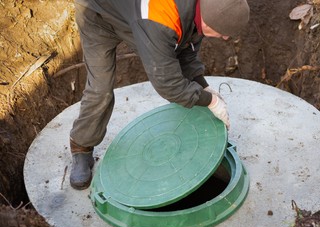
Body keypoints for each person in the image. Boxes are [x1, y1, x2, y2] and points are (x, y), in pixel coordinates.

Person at [70, 0, 250, 190]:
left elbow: (186, 51)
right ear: (207, 21)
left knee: (167, 47)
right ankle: (81, 146)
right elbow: (168, 84)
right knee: (100, 89)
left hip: (132, 13)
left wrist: (203, 87)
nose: (223, 38)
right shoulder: (160, 19)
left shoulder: (202, 9)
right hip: (98, 13)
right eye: (222, 33)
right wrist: (211, 101)